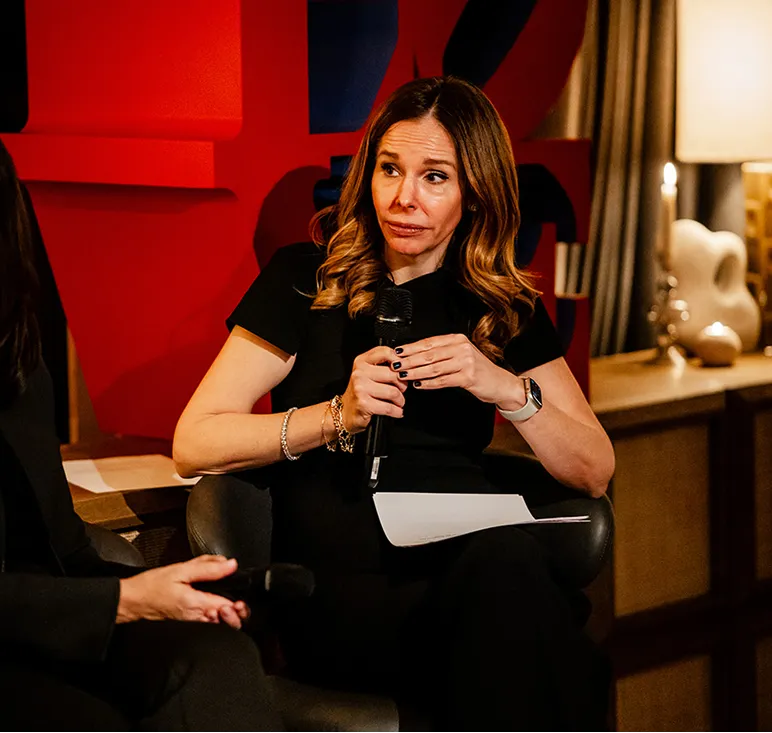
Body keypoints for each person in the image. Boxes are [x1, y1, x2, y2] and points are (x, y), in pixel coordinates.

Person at [174, 76, 615, 732]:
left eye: (435, 177)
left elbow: (594, 469)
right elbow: (194, 441)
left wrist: (504, 387)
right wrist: (337, 415)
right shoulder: (308, 280)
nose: (403, 197)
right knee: (535, 622)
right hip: (351, 590)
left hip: (473, 575)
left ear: (474, 193)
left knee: (510, 576)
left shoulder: (502, 308)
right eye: (389, 169)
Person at [0, 139, 284, 733]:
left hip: (50, 614)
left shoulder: (17, 358)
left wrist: (164, 588)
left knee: (216, 657)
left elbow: (65, 552)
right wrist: (127, 602)